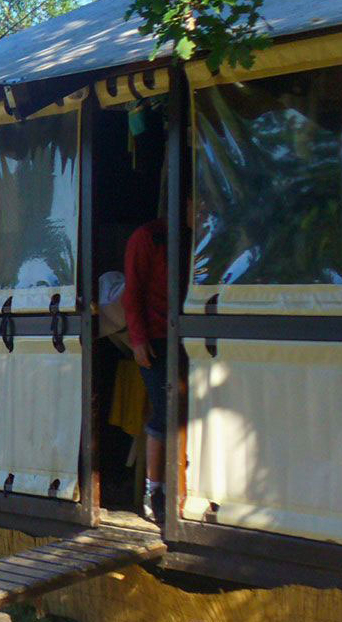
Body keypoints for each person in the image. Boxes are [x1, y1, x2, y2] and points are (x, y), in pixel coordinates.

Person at [122, 201, 191, 525]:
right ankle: (155, 493)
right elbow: (131, 292)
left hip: (190, 336)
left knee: (188, 409)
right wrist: (138, 339)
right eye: (197, 202)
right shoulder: (148, 237)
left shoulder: (199, 238)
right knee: (167, 409)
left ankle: (182, 491)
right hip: (156, 338)